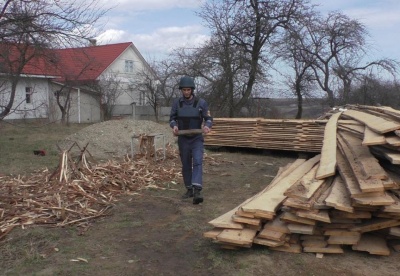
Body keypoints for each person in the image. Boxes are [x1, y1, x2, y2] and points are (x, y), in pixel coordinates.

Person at [169, 76, 213, 204]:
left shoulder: (201, 103)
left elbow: (209, 119)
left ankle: (197, 190)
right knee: (186, 164)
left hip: (196, 138)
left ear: (192, 90)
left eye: (188, 90)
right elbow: (172, 118)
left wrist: (207, 126)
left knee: (198, 161)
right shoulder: (177, 103)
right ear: (181, 90)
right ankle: (189, 189)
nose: (186, 92)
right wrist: (174, 126)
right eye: (184, 90)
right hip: (183, 139)